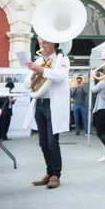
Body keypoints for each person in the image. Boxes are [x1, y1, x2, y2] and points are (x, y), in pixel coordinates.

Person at [23, 37, 70, 189]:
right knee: (43, 143)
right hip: (39, 105)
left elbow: (60, 76)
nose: (42, 46)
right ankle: (49, 172)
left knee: (52, 142)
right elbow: (26, 84)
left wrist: (41, 70)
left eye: (45, 43)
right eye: (40, 43)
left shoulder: (63, 59)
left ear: (53, 43)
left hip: (52, 105)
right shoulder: (38, 61)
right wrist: (33, 75)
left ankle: (56, 174)